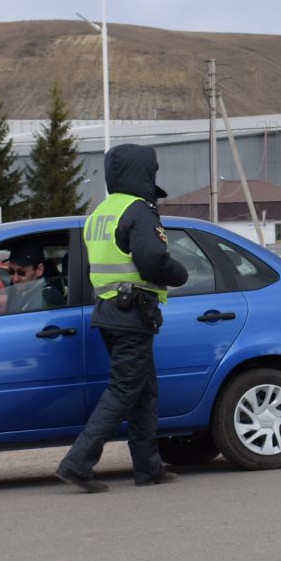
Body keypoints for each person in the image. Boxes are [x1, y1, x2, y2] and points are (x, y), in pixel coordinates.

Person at [54, 144, 189, 492]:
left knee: (144, 390)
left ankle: (148, 467)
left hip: (109, 312)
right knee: (125, 388)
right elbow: (153, 261)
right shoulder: (139, 210)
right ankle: (78, 463)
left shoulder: (100, 212)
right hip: (133, 314)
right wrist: (181, 273)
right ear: (143, 173)